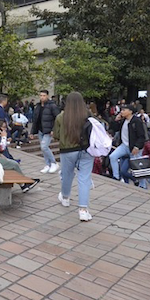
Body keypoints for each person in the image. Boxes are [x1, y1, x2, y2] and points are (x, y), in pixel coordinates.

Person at [52, 92, 95, 222]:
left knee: (67, 175)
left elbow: (57, 135)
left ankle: (65, 198)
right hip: (86, 150)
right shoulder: (88, 115)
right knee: (84, 179)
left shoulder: (61, 117)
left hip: (68, 150)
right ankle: (83, 210)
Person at [0, 119, 41, 193]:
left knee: (11, 163)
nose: (6, 129)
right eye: (4, 127)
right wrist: (4, 137)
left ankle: (23, 184)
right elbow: (1, 149)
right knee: (14, 164)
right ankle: (24, 183)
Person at [108, 104, 146, 183]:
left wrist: (137, 147)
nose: (121, 112)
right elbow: (114, 129)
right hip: (124, 146)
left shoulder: (136, 121)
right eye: (121, 110)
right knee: (112, 156)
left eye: (124, 110)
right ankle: (116, 176)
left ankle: (143, 186)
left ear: (130, 111)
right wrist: (116, 120)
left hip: (134, 148)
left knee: (137, 168)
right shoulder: (123, 121)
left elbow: (142, 136)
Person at [30, 90, 61, 174]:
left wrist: (54, 130)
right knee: (43, 148)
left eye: (44, 95)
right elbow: (35, 120)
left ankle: (54, 163)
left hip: (48, 130)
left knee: (44, 147)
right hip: (40, 130)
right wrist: (32, 132)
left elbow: (58, 118)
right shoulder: (38, 106)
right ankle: (48, 164)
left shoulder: (52, 106)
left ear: (47, 96)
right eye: (40, 95)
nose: (42, 97)